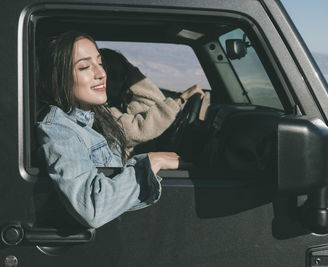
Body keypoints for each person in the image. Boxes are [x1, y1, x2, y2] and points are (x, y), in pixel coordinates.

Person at [36, 31, 180, 229]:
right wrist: (151, 162)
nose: (102, 73)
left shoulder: (96, 116)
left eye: (100, 63)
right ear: (58, 76)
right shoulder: (59, 129)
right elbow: (92, 208)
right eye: (85, 67)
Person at [99, 48, 204, 153]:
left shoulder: (118, 104)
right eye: (112, 75)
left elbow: (156, 101)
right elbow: (140, 129)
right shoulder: (98, 111)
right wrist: (181, 98)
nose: (118, 81)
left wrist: (127, 68)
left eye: (122, 75)